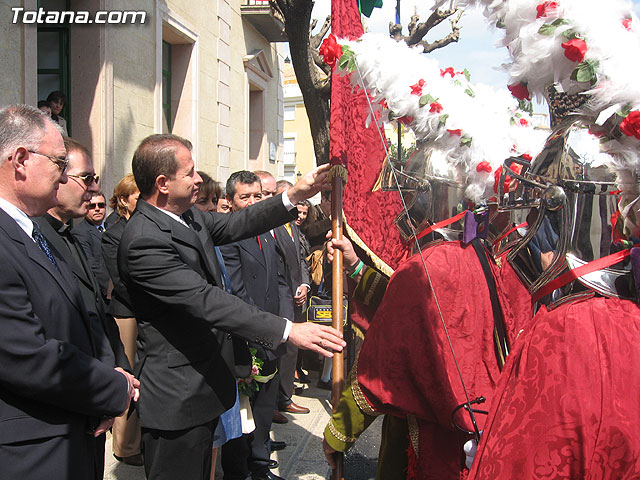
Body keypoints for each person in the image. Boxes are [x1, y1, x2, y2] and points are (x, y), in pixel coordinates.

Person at [118, 133, 345, 480]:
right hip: (177, 400)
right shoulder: (144, 240)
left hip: (205, 387)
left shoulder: (187, 217)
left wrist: (294, 195)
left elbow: (238, 222)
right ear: (162, 184)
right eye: (190, 173)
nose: (198, 179)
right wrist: (287, 330)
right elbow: (208, 302)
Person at [0, 104, 137, 480]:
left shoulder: (30, 232)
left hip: (68, 430)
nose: (66, 179)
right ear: (22, 161)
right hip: (32, 452)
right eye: (60, 163)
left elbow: (80, 318)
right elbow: (26, 354)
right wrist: (114, 386)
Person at [30, 136, 133, 477]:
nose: (93, 189)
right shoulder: (32, 240)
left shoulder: (69, 236)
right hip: (60, 411)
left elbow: (96, 316)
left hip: (92, 403)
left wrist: (118, 372)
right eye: (86, 178)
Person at [220, 171, 291, 480]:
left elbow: (279, 283)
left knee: (264, 409)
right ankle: (243, 470)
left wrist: (283, 326)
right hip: (247, 337)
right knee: (244, 413)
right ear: (230, 201)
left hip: (274, 332)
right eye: (244, 197)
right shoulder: (228, 237)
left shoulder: (267, 231)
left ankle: (261, 464)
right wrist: (261, 332)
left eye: (258, 196)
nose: (252, 202)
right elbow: (237, 292)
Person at [255, 171, 311, 416]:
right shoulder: (268, 224)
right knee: (280, 349)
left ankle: (284, 397)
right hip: (277, 297)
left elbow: (300, 258)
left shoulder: (291, 224)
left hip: (295, 294)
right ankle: (276, 400)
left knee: (291, 352)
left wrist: (304, 284)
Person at [101, 173, 143, 466]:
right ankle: (125, 447)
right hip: (127, 313)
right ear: (124, 200)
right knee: (128, 375)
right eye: (138, 196)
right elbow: (122, 280)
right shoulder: (114, 232)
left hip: (144, 311)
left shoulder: (139, 226)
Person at [73, 190, 111, 300]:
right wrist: (110, 290)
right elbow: (92, 265)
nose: (97, 209)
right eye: (92, 206)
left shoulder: (113, 226)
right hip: (103, 294)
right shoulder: (80, 233)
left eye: (101, 205)